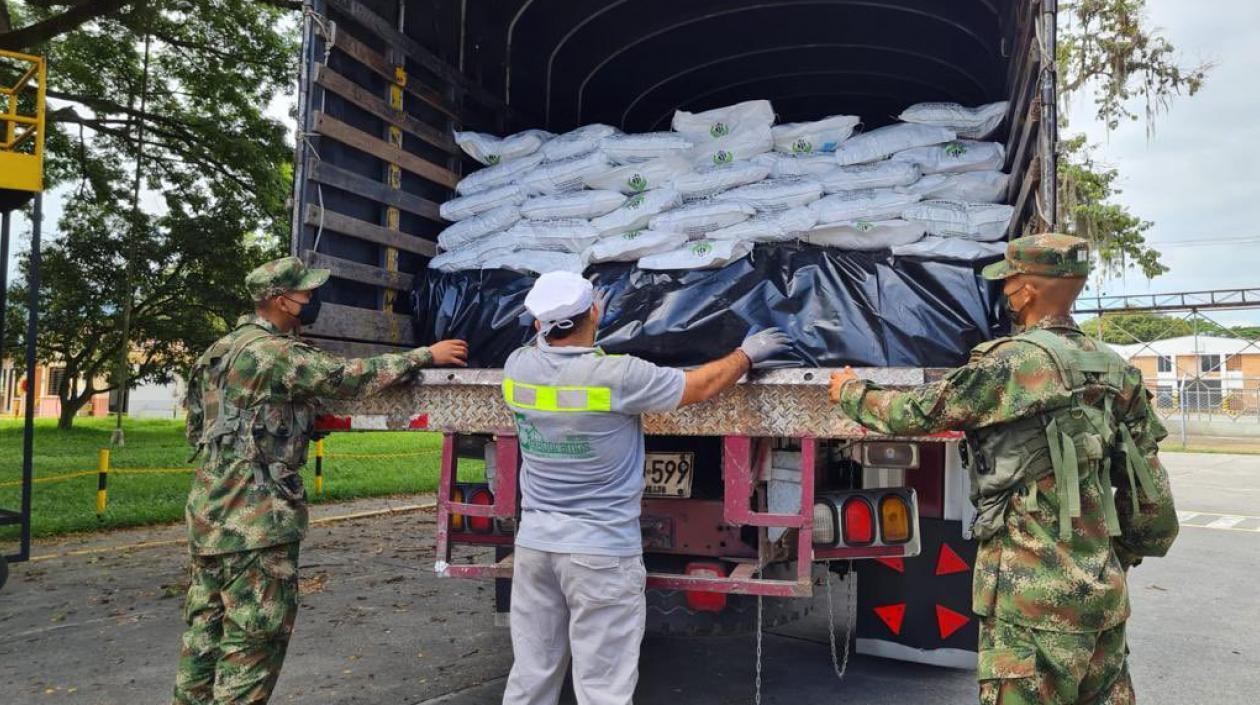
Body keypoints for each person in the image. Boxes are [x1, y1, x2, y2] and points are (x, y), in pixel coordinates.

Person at [829, 234, 1179, 705]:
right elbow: (1153, 507)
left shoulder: (1011, 362)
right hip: (1103, 605)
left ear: (1028, 290)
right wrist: (1114, 562)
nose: (1005, 293)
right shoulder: (1116, 370)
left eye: (1009, 282)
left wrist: (850, 391)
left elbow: (916, 414)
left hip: (1028, 606)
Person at [172, 256, 468, 705]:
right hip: (255, 517)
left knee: (204, 634)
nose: (312, 300)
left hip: (209, 509)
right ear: (281, 301)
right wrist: (426, 355)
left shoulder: (219, 350)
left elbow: (201, 426)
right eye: (305, 293)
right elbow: (347, 378)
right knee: (254, 639)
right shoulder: (275, 353)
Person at [500, 271, 791, 705]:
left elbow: (543, 343)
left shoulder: (517, 368)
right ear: (594, 311)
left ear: (539, 324)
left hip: (536, 548)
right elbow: (699, 387)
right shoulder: (618, 377)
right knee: (603, 687)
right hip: (599, 553)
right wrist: (746, 356)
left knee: (531, 675)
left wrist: (574, 322)